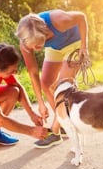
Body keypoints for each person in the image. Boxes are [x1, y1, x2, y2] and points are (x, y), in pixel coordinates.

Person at [16, 9, 90, 148]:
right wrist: (40, 103)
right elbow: (33, 72)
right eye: (33, 46)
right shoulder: (26, 42)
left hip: (74, 43)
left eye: (38, 45)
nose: (36, 49)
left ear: (44, 32)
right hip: (55, 48)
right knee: (46, 83)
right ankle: (63, 121)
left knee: (64, 86)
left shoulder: (59, 20)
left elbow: (81, 17)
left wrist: (84, 48)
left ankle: (56, 131)